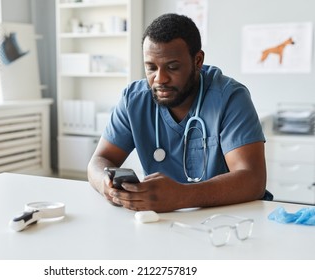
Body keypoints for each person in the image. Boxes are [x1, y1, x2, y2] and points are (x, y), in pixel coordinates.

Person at [87, 13, 269, 213]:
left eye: (172, 67)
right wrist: (106, 184)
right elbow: (98, 161)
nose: (160, 78)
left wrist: (182, 196)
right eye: (151, 68)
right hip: (163, 220)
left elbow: (252, 180)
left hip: (229, 219)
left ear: (198, 61)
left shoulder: (229, 97)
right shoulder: (134, 99)